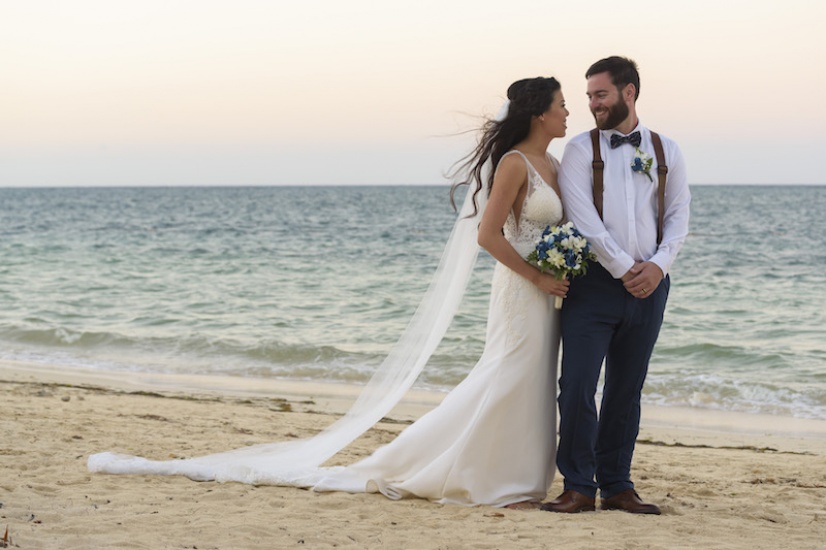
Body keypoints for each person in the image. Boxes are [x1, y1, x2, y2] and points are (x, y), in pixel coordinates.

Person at [88, 77, 571, 508]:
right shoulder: (513, 163)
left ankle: (520, 476)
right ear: (539, 114)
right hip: (523, 288)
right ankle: (480, 475)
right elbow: (488, 236)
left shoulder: (551, 161)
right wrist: (537, 276)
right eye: (562, 105)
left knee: (533, 380)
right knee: (506, 373)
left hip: (549, 289)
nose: (568, 112)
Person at [542, 56, 690, 515]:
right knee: (578, 385)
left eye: (599, 94)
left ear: (629, 92)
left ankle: (617, 485)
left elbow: (678, 217)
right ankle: (578, 486)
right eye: (587, 96)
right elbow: (585, 220)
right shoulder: (581, 151)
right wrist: (626, 267)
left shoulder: (667, 150)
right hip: (594, 286)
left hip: (652, 286)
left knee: (627, 389)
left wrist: (659, 267)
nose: (591, 104)